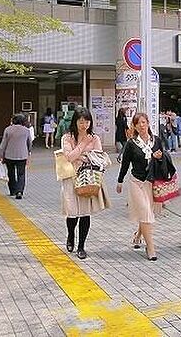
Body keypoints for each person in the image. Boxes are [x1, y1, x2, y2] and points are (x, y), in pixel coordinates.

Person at [60, 106, 110, 260]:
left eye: (87, 121)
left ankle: (81, 246)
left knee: (85, 213)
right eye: (81, 122)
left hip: (88, 177)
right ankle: (70, 235)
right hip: (71, 178)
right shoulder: (67, 137)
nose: (84, 125)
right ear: (75, 122)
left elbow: (98, 158)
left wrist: (80, 156)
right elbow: (68, 157)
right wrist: (83, 146)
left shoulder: (95, 138)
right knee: (72, 212)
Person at [116, 112, 163, 261]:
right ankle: (151, 248)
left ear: (148, 123)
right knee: (145, 212)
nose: (141, 126)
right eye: (138, 123)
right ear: (134, 126)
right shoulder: (131, 143)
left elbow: (164, 160)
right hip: (136, 182)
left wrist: (159, 157)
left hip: (151, 182)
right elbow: (125, 164)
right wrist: (120, 181)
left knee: (146, 213)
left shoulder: (156, 140)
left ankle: (137, 236)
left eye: (143, 122)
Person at [0, 113, 32, 199]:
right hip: (22, 155)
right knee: (21, 174)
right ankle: (19, 191)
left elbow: (3, 144)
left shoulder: (8, 129)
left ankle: (13, 190)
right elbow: (29, 143)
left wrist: (0, 154)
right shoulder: (26, 130)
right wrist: (28, 152)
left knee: (11, 173)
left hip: (9, 155)